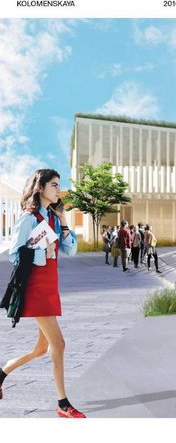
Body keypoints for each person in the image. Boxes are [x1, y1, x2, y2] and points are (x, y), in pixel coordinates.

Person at [0, 169, 85, 418]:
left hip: (50, 286)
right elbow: (15, 253)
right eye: (54, 185)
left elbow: (69, 251)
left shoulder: (54, 218)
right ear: (41, 188)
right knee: (58, 344)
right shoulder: (28, 218)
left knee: (41, 348)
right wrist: (42, 254)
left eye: (59, 186)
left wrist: (65, 223)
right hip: (36, 287)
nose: (59, 190)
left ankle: (2, 373)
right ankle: (63, 404)